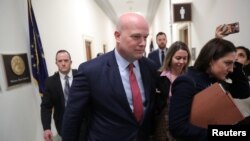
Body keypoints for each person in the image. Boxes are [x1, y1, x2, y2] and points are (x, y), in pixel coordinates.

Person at [62, 12, 158, 141]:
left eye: (145, 37)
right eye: (136, 37)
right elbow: (72, 118)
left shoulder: (150, 67)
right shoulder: (90, 71)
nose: (143, 43)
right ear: (118, 36)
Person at [168, 38, 250, 141]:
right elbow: (177, 127)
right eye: (228, 63)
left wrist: (234, 61)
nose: (231, 69)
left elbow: (243, 92)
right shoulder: (187, 81)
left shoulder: (214, 79)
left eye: (233, 64)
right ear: (211, 60)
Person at [153, 41, 191, 141]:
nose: (182, 62)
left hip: (183, 124)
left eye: (185, 58)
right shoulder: (159, 77)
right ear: (170, 58)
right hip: (162, 125)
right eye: (178, 58)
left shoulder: (190, 78)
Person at [41, 50, 79, 141]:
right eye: (60, 61)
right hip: (63, 124)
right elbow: (46, 107)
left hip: (84, 122)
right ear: (56, 63)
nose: (63, 63)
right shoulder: (50, 82)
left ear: (71, 62)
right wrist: (47, 128)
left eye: (66, 60)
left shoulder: (81, 75)